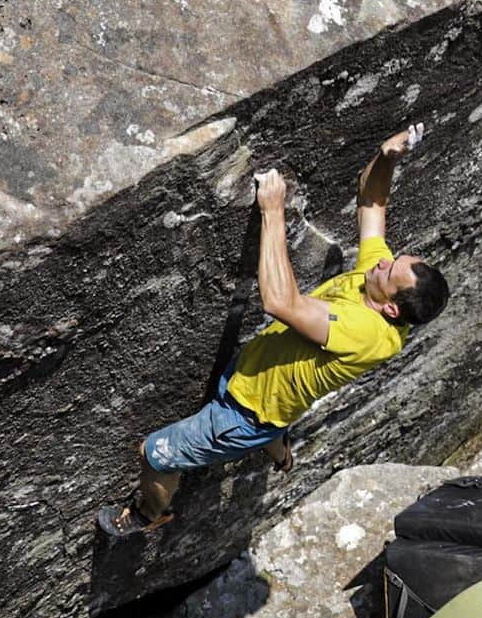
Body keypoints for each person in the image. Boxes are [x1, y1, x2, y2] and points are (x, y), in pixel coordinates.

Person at [98, 123, 448, 536]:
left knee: (154, 454)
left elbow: (281, 302)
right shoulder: (380, 284)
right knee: (281, 399)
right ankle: (279, 450)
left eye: (390, 269)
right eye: (392, 258)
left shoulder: (367, 331)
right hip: (267, 380)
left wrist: (273, 210)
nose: (383, 260)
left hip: (242, 412)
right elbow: (372, 203)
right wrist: (387, 157)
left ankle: (148, 516)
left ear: (390, 307)